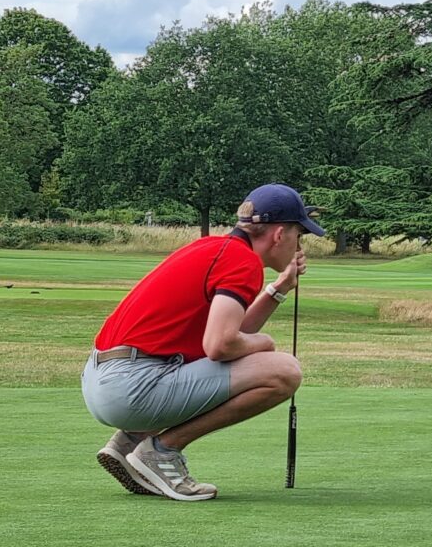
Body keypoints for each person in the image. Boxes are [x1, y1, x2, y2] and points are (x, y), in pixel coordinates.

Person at [80, 183, 322, 501]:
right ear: (279, 235)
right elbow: (220, 346)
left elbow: (231, 333)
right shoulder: (243, 262)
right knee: (284, 371)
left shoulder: (215, 248)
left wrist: (278, 289)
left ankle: (127, 443)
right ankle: (162, 451)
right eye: (298, 235)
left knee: (250, 361)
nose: (298, 244)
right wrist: (265, 343)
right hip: (131, 385)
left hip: (104, 380)